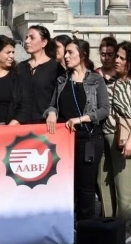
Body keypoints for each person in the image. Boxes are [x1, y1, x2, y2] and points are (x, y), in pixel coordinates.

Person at [45, 38, 110, 222]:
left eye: (70, 52)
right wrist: (51, 112)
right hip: (66, 140)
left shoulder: (96, 80)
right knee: (67, 183)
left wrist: (81, 119)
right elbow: (53, 104)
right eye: (65, 52)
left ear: (82, 55)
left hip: (89, 137)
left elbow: (104, 109)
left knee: (86, 184)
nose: (66, 56)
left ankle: (85, 224)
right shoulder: (62, 80)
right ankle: (66, 223)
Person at [97, 42, 131, 230]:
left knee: (124, 187)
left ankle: (123, 228)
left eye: (121, 58)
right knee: (104, 183)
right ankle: (110, 224)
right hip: (105, 135)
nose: (116, 60)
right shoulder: (112, 80)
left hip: (125, 138)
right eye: (116, 56)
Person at [20, 25, 65, 124]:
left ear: (44, 42)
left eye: (32, 38)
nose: (27, 41)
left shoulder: (55, 68)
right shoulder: (20, 67)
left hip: (46, 124)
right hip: (21, 124)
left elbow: (61, 98)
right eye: (26, 37)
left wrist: (53, 112)